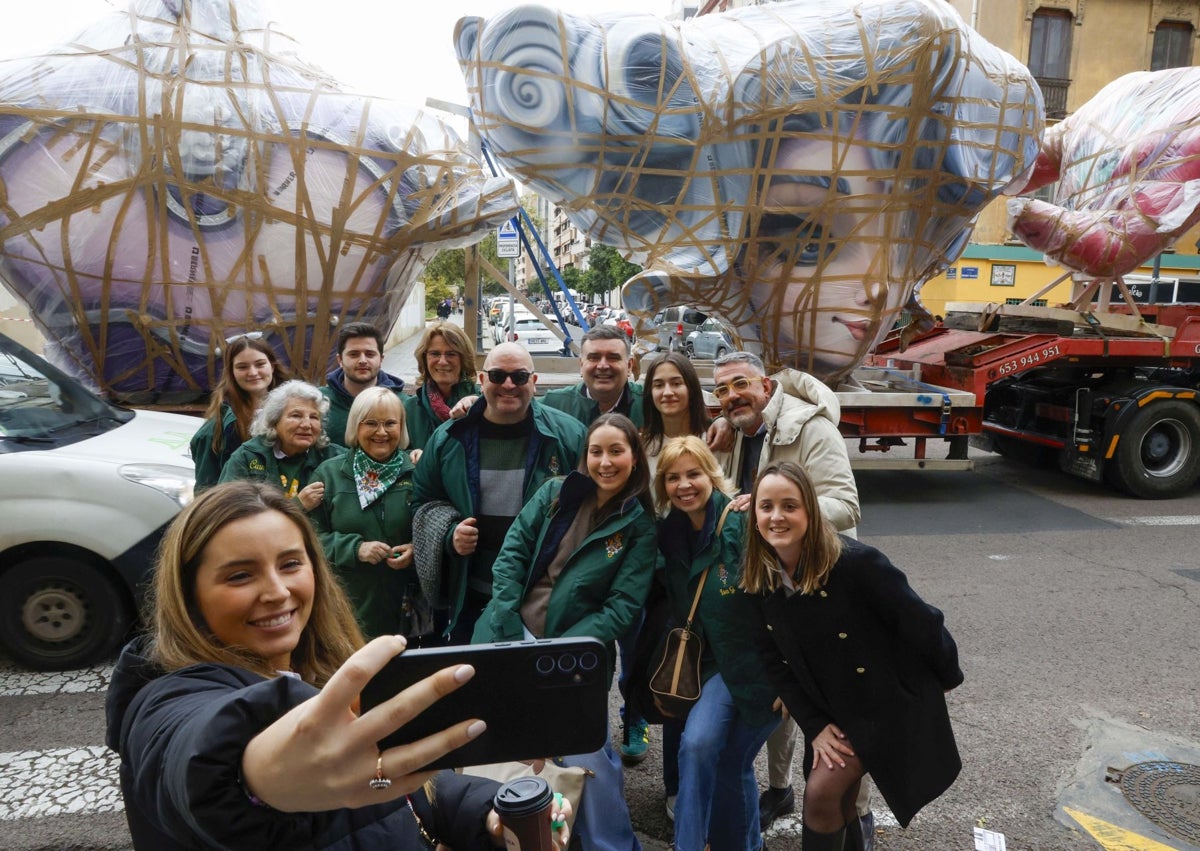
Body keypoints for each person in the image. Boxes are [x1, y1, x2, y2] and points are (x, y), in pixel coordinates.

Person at [104, 480, 571, 850]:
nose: (276, 591)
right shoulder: (165, 693)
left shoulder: (319, 665)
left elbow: (392, 786)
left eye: (290, 564)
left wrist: (489, 813)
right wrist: (252, 781)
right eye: (240, 575)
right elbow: (184, 752)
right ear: (189, 594)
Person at [743, 462, 963, 850]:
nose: (777, 516)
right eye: (766, 506)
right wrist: (815, 724)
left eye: (789, 506)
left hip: (886, 699)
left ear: (810, 511)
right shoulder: (760, 576)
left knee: (821, 793)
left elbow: (922, 621)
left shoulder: (855, 562)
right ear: (754, 515)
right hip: (831, 706)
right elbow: (773, 660)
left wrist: (945, 680)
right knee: (839, 798)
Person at [473, 412, 656, 851]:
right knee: (498, 743)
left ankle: (610, 844)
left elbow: (622, 608)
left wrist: (560, 647)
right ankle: (505, 835)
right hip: (508, 635)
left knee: (587, 754)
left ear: (634, 458)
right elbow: (511, 556)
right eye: (596, 451)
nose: (605, 462)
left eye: (616, 451)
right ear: (584, 456)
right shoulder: (555, 494)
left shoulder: (638, 527)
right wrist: (509, 625)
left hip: (575, 655)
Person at [711, 350, 861, 831]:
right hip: (770, 583)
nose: (732, 396)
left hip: (821, 580)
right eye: (722, 390)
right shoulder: (739, 433)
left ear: (767, 386)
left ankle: (855, 815)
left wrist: (777, 507)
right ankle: (780, 789)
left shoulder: (811, 429)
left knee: (833, 703)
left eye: (741, 384)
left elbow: (847, 505)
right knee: (784, 694)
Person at [412, 342, 586, 644]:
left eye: (519, 377)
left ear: (534, 382)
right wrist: (449, 534)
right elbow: (422, 503)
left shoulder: (569, 436)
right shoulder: (448, 439)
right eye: (497, 376)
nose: (508, 385)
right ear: (482, 381)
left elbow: (591, 512)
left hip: (543, 594)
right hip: (470, 593)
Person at [653, 436, 777, 851]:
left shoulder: (742, 522)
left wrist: (791, 674)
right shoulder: (667, 533)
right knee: (715, 757)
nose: (684, 485)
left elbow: (785, 599)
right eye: (673, 478)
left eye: (693, 474)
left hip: (756, 666)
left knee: (711, 751)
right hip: (709, 666)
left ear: (712, 474)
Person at [309, 387, 421, 639]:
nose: (381, 432)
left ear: (401, 427)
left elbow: (434, 527)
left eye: (390, 423)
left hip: (404, 611)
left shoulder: (417, 472)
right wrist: (354, 548)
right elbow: (309, 538)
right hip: (346, 610)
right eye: (371, 423)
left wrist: (416, 549)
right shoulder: (330, 475)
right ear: (355, 426)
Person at [218, 380, 344, 511]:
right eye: (296, 415)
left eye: (314, 417)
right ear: (274, 421)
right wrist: (298, 504)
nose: (307, 425)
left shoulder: (335, 458)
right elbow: (227, 510)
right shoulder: (247, 456)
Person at [191, 334, 290, 490]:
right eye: (242, 367)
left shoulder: (294, 409)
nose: (252, 372)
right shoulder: (218, 428)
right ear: (231, 372)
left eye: (260, 364)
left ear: (272, 366)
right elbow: (206, 491)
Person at [321, 322, 406, 448]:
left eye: (370, 354)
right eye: (353, 354)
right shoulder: (318, 402)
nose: (362, 360)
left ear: (381, 359)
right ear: (340, 360)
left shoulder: (404, 404)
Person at [542, 324, 645, 427]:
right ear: (581, 365)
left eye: (613, 358)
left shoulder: (649, 404)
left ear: (629, 366)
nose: (602, 366)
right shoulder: (552, 405)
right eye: (594, 358)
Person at [403, 321, 479, 450]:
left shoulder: (482, 403)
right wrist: (410, 456)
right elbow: (394, 454)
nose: (442, 361)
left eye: (451, 354)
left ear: (464, 359)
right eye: (435, 354)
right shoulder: (409, 409)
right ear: (424, 359)